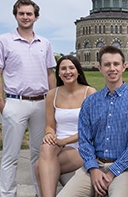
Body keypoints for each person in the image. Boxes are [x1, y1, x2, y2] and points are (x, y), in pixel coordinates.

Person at [57, 45, 128, 197]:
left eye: (116, 64)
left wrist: (111, 173)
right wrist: (93, 169)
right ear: (100, 68)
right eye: (107, 64)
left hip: (124, 169)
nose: (112, 68)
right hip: (93, 166)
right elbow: (84, 141)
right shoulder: (90, 102)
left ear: (124, 67)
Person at [0, 0, 56, 197]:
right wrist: (2, 103)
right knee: (10, 156)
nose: (25, 17)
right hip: (15, 102)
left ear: (36, 17)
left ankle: (40, 192)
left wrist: (53, 103)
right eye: (21, 13)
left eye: (29, 13)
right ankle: (8, 194)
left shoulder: (45, 43)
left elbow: (50, 74)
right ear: (15, 15)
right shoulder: (3, 41)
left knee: (40, 154)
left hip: (41, 103)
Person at [34, 55, 96, 197]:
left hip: (81, 146)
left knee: (39, 167)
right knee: (46, 147)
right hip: (57, 144)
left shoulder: (89, 93)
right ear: (59, 73)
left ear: (78, 71)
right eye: (63, 68)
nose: (67, 71)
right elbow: (49, 125)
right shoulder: (52, 94)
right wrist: (50, 135)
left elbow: (91, 130)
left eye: (71, 68)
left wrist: (65, 141)